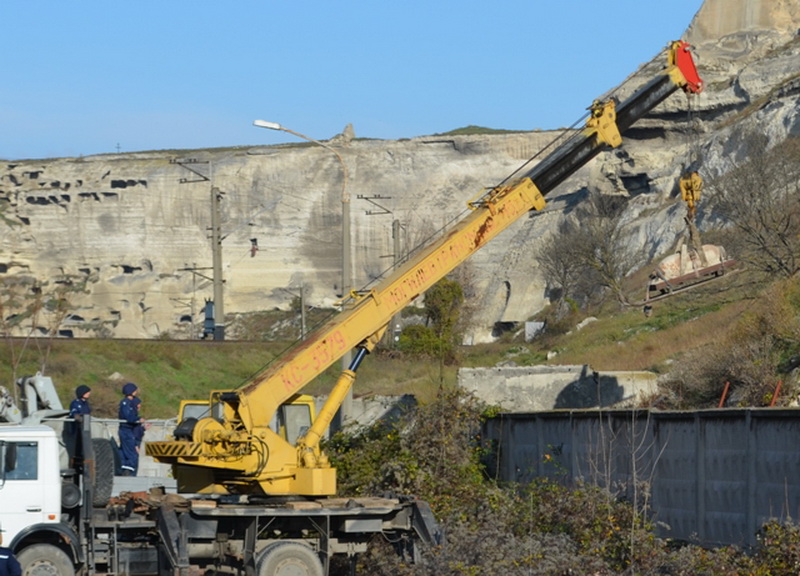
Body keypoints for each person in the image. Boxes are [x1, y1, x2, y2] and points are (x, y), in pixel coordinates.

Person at [118, 382, 144, 476]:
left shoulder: (131, 402)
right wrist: (137, 419)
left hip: (128, 430)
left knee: (124, 451)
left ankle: (125, 469)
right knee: (131, 452)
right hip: (126, 430)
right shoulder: (125, 403)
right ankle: (129, 472)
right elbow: (128, 416)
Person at [65, 385, 92, 464]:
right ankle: (76, 460)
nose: (89, 393)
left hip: (85, 428)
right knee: (77, 446)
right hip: (77, 428)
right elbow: (74, 413)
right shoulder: (75, 403)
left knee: (85, 444)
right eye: (87, 392)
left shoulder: (86, 403)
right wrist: (78, 418)